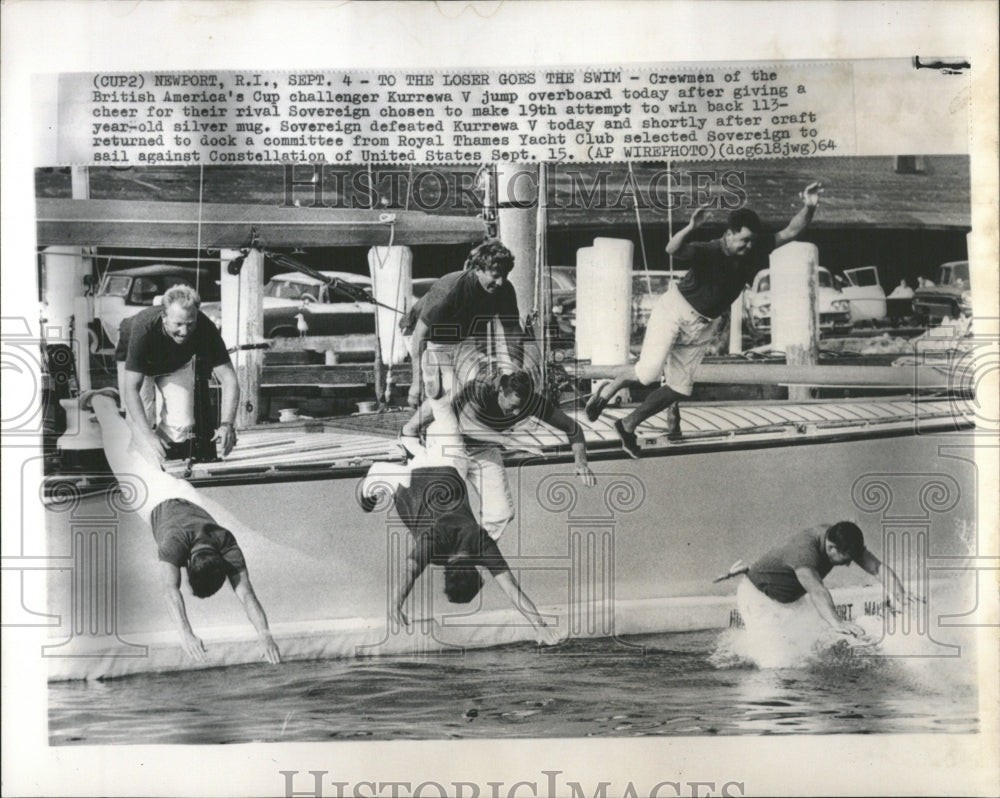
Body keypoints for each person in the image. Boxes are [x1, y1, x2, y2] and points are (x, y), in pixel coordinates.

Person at [585, 182, 823, 457]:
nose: (749, 247)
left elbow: (792, 230)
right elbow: (672, 250)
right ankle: (609, 388)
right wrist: (690, 226)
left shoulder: (755, 247)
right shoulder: (708, 249)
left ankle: (627, 425)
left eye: (752, 242)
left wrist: (810, 205)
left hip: (704, 326)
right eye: (743, 240)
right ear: (729, 234)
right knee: (647, 374)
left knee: (679, 388)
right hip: (674, 312)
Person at [82, 388, 281, 664]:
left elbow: (246, 594)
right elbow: (170, 590)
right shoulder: (174, 543)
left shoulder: (225, 541)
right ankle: (98, 399)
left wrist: (266, 634)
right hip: (152, 498)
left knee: (143, 456)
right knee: (119, 448)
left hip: (183, 492)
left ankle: (125, 411)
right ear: (187, 561)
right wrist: (185, 633)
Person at [359, 454, 561, 645]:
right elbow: (409, 570)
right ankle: (393, 462)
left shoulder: (480, 544)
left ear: (474, 569)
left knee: (418, 453)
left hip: (449, 467)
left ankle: (411, 447)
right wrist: (395, 604)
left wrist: (541, 626)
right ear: (446, 574)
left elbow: (511, 588)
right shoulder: (436, 545)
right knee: (366, 502)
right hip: (410, 477)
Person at [403, 369, 597, 540]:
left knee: (501, 513)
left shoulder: (532, 403)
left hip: (484, 448)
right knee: (447, 505)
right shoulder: (482, 389)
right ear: (501, 392)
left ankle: (474, 554)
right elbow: (466, 425)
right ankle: (409, 433)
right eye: (512, 406)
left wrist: (581, 463)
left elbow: (572, 427)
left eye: (521, 408)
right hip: (450, 441)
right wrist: (511, 441)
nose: (516, 413)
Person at [403, 239, 532, 431]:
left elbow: (512, 330)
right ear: (477, 270)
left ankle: (468, 429)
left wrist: (516, 370)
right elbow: (420, 334)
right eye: (495, 276)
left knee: (480, 382)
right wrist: (416, 383)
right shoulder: (450, 288)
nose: (501, 282)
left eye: (504, 275)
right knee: (451, 390)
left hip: (462, 339)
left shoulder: (504, 289)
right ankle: (409, 430)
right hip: (427, 338)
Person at [720, 521, 917, 640]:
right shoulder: (804, 554)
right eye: (846, 559)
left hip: (793, 599)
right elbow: (817, 590)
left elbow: (876, 567)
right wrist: (838, 623)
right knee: (775, 663)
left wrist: (901, 594)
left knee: (807, 653)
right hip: (759, 599)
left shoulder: (839, 537)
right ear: (832, 548)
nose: (850, 563)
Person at [121, 284, 239, 464]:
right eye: (178, 324)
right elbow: (131, 389)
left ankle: (159, 455)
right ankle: (140, 456)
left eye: (190, 324)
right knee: (140, 425)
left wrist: (227, 425)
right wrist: (147, 435)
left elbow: (229, 379)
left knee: (181, 424)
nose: (184, 332)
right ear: (164, 317)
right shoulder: (143, 328)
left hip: (174, 362)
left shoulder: (205, 327)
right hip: (140, 366)